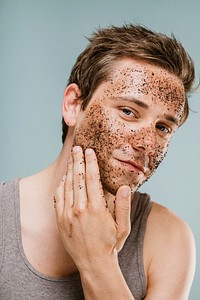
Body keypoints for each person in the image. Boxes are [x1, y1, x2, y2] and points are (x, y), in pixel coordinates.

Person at [0, 24, 197, 300]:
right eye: (128, 111)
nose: (148, 144)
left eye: (163, 128)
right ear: (73, 105)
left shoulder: (168, 240)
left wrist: (97, 260)